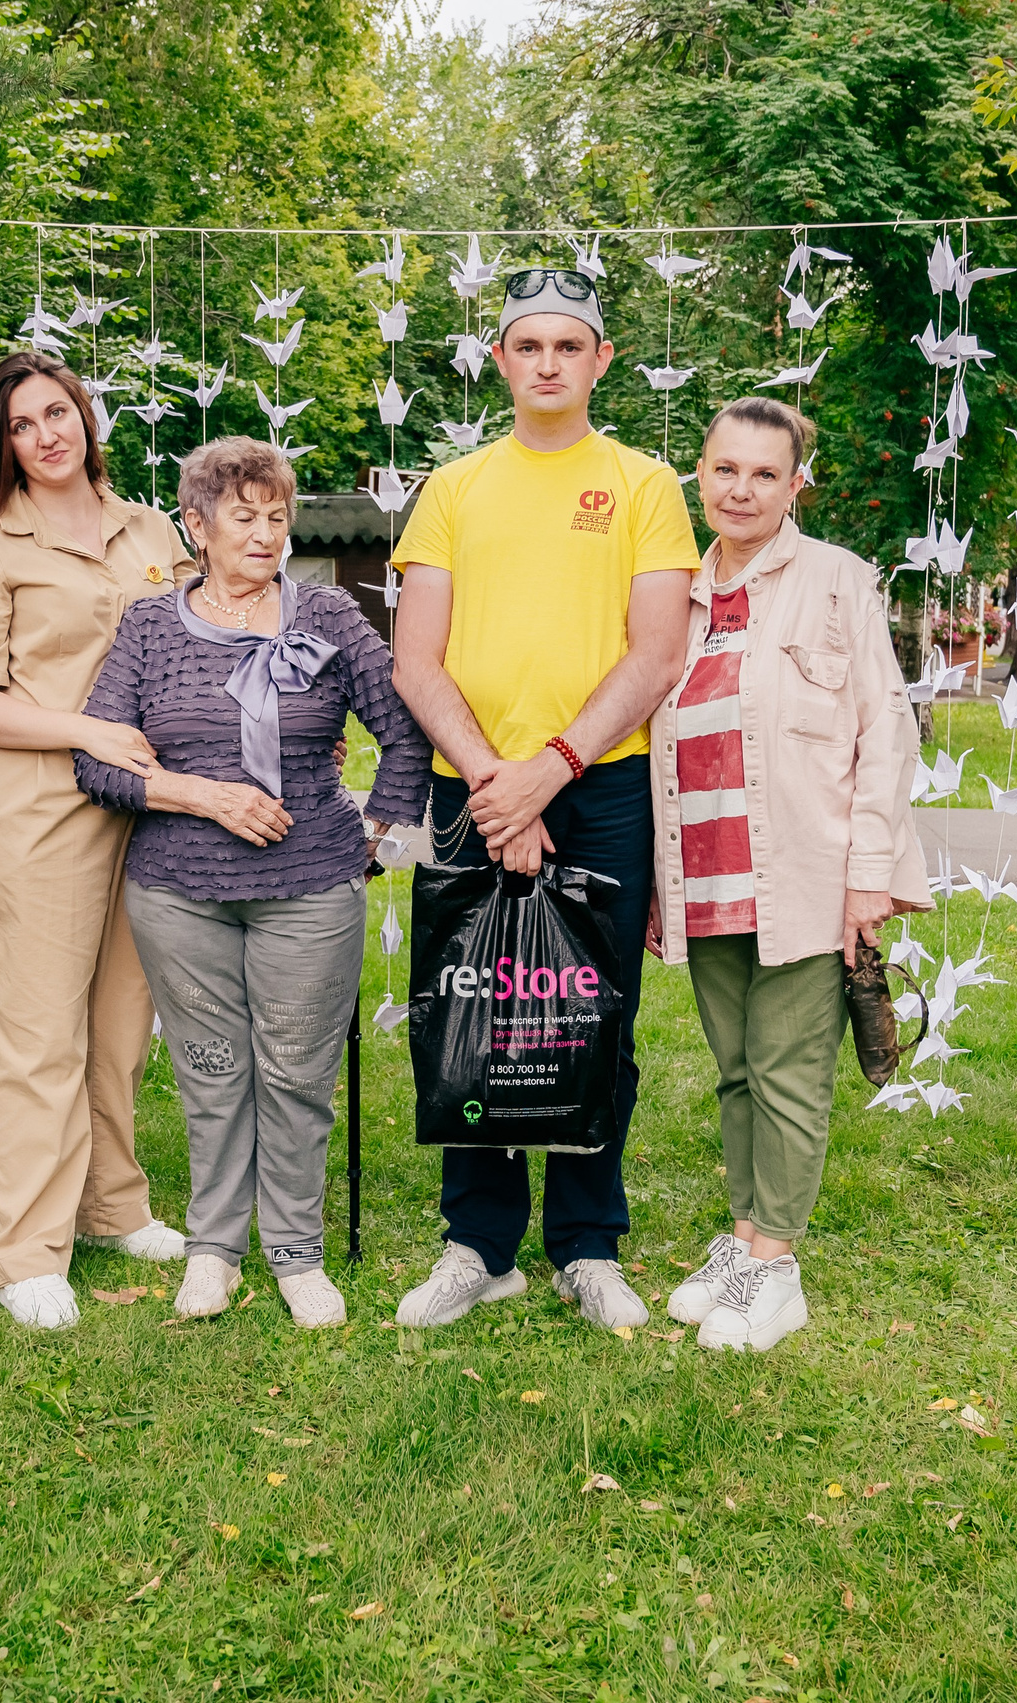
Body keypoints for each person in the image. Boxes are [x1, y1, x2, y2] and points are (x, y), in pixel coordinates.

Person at [387, 266, 698, 1331]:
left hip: (597, 781)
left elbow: (655, 654)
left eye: (571, 346)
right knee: (470, 1006)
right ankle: (477, 1243)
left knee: (588, 1011)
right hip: (470, 783)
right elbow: (415, 661)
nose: (550, 363)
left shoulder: (645, 484)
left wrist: (549, 768)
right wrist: (492, 782)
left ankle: (586, 1245)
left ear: (601, 359)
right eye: (530, 346)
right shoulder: (453, 486)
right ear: (500, 359)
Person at [72, 436, 432, 1328]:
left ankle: (297, 1253)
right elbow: (98, 761)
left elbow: (406, 732)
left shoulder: (331, 616)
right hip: (177, 887)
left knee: (298, 1071)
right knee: (211, 1070)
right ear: (196, 524)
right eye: (245, 516)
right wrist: (204, 797)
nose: (267, 533)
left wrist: (374, 836)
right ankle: (214, 1249)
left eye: (279, 516)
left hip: (311, 885)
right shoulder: (150, 625)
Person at [646, 399, 931, 1352]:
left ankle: (777, 1267)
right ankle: (741, 1240)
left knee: (788, 1072)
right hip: (704, 865)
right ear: (699, 472)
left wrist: (870, 878)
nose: (742, 488)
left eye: (765, 474)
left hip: (806, 871)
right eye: (727, 469)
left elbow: (885, 728)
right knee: (735, 1071)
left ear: (795, 484)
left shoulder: (838, 582)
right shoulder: (672, 594)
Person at [0, 350, 196, 1331]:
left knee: (123, 1022)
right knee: (38, 1030)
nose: (46, 434)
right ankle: (26, 1248)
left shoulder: (150, 527)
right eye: (21, 425)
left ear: (85, 416)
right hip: (41, 805)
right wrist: (85, 729)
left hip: (151, 802)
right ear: (2, 445)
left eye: (57, 412)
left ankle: (110, 1203)